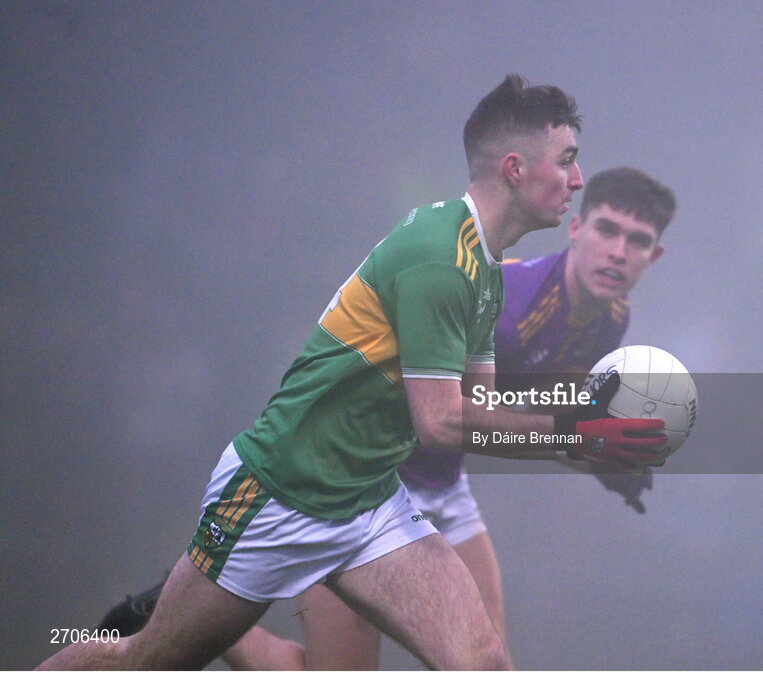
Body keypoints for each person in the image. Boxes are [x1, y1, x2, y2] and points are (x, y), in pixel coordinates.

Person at [38, 75, 665, 671]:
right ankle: (175, 607)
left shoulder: (484, 268)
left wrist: (588, 448)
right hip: (279, 493)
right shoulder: (439, 259)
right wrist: (575, 433)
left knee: (485, 661)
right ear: (515, 169)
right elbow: (444, 423)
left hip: (370, 498)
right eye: (566, 160)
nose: (577, 178)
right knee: (149, 659)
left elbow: (482, 413)